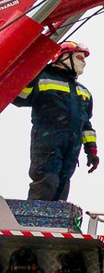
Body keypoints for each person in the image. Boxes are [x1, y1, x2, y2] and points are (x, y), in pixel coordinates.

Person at [14, 41, 98, 202]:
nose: (84, 63)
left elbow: (86, 125)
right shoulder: (42, 79)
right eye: (80, 57)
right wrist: (30, 77)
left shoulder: (83, 91)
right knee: (47, 180)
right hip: (48, 141)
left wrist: (91, 150)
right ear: (62, 57)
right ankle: (35, 219)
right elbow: (20, 98)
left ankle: (54, 223)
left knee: (62, 182)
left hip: (72, 146)